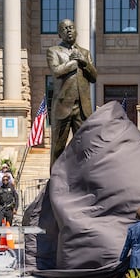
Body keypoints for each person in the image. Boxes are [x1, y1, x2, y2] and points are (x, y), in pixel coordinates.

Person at [47, 19, 97, 167]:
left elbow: (94, 77)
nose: (69, 30)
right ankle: (55, 183)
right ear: (59, 34)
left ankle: (85, 181)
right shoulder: (53, 51)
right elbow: (56, 71)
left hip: (82, 108)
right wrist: (74, 63)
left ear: (76, 31)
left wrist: (84, 62)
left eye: (71, 27)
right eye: (64, 28)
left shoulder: (85, 53)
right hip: (63, 106)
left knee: (85, 147)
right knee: (58, 147)